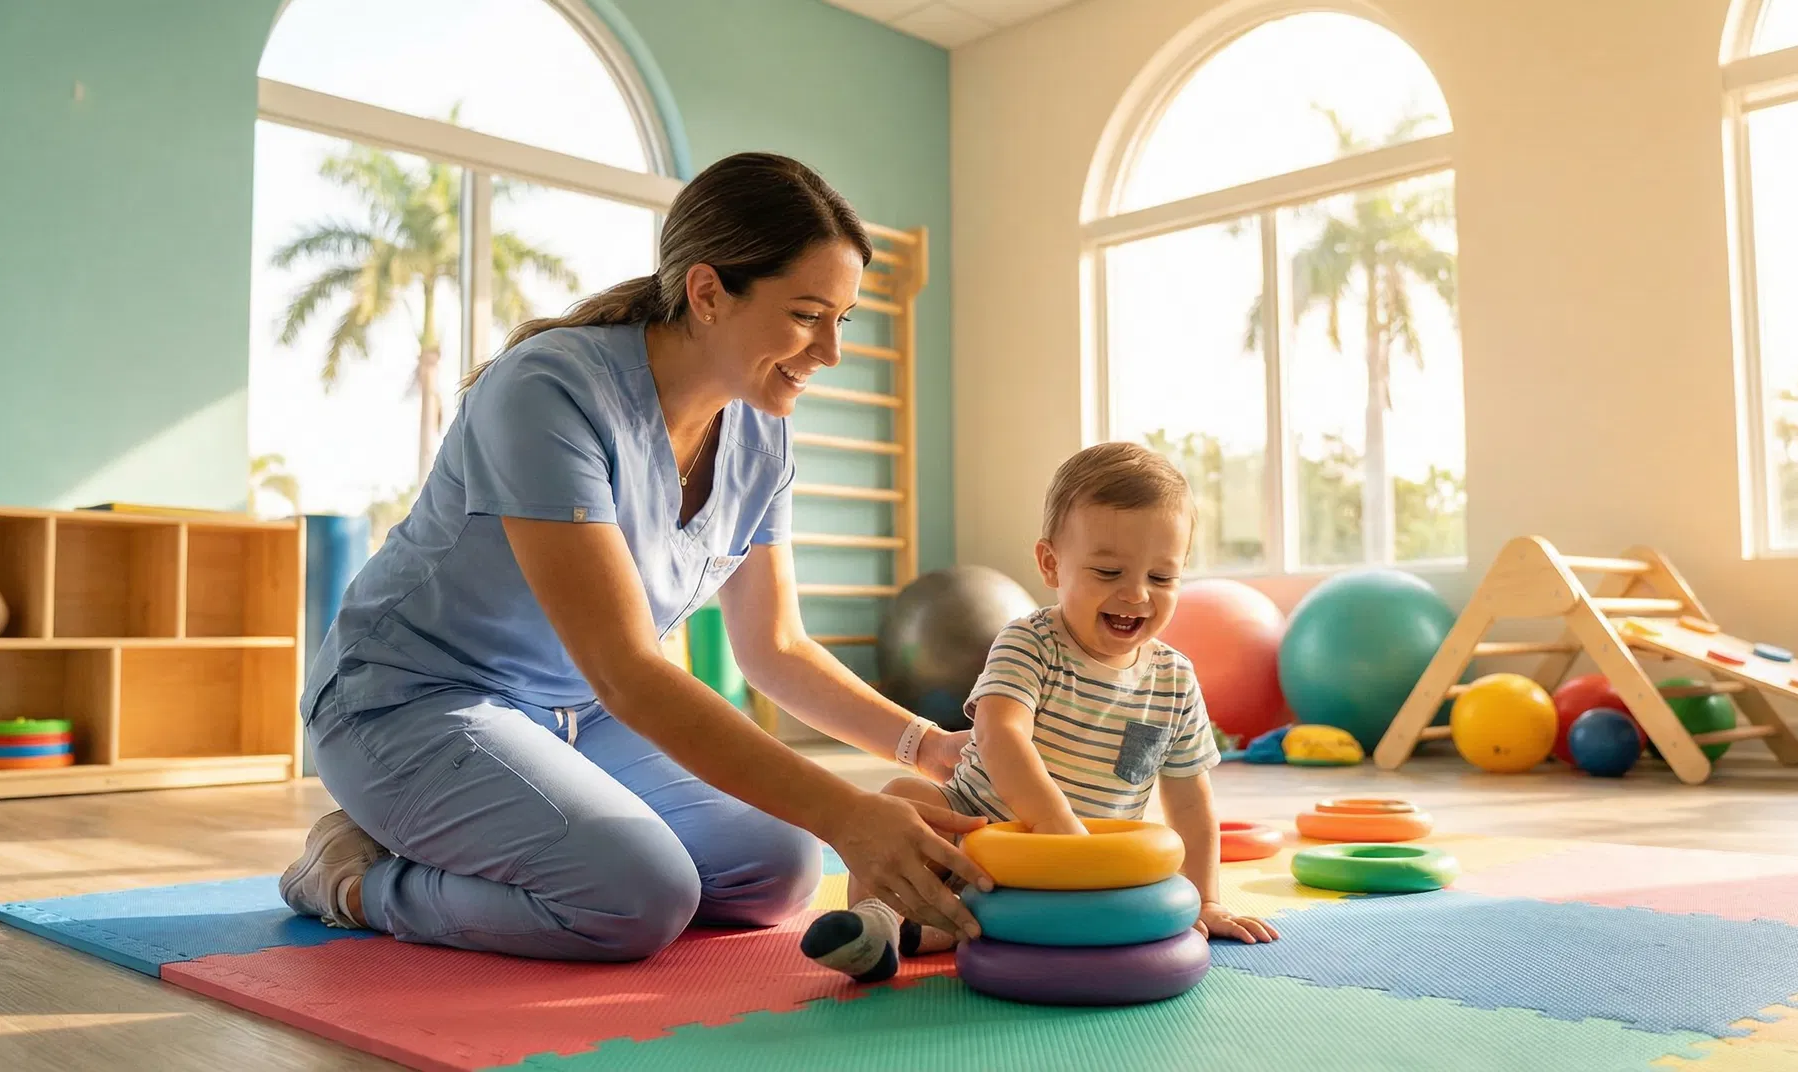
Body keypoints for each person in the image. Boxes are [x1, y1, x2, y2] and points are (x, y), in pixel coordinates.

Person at [277, 151, 994, 962]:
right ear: (707, 292)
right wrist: (848, 813)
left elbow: (776, 647)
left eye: (844, 319)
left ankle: (484, 832)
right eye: (806, 314)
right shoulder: (546, 393)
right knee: (636, 897)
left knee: (780, 872)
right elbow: (626, 666)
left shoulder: (762, 433)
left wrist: (926, 746)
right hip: (410, 703)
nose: (830, 351)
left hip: (576, 715)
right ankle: (350, 876)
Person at [800, 442, 1278, 982]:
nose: (1136, 594)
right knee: (904, 799)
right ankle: (878, 924)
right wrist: (1054, 823)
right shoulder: (1030, 642)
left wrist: (1207, 900)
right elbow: (1001, 731)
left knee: (1147, 880)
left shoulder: (1174, 678)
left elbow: (1190, 799)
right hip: (975, 830)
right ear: (1052, 564)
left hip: (1087, 863)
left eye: (1162, 578)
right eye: (1107, 571)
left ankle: (942, 928)